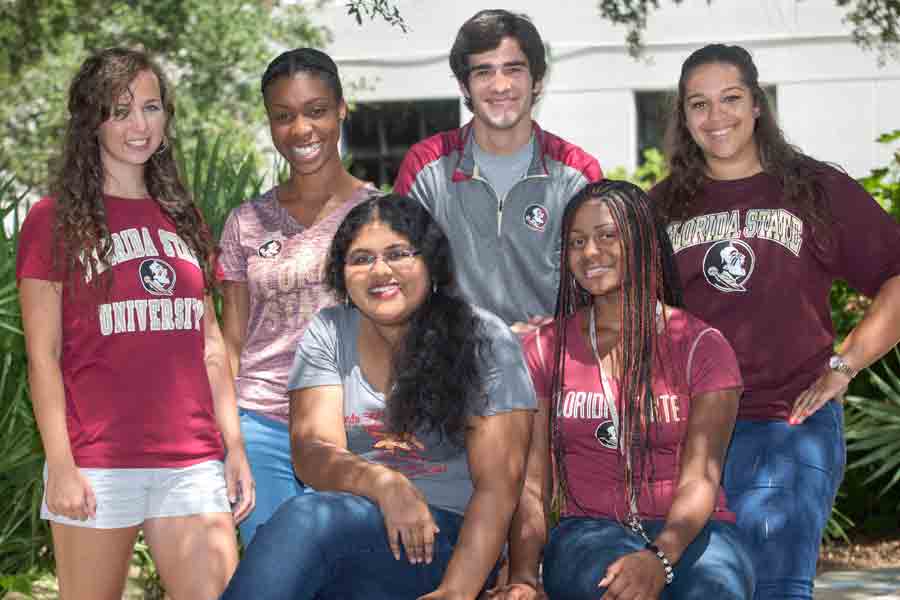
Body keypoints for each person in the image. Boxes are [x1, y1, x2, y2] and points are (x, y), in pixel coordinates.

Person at [651, 43, 900, 599]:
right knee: (703, 588)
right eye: (699, 104)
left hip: (788, 425)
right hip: (691, 434)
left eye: (731, 98)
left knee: (776, 586)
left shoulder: (812, 189)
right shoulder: (662, 207)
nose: (716, 118)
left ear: (757, 103)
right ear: (684, 116)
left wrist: (845, 365)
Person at [16, 47, 252, 600]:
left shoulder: (182, 215)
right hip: (97, 462)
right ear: (92, 120)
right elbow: (42, 358)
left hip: (191, 460)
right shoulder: (53, 220)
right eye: (120, 111)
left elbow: (210, 345)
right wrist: (61, 465)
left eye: (150, 108)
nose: (139, 125)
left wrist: (233, 444)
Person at [220, 194, 536, 600]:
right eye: (361, 259)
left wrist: (456, 591)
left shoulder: (485, 339)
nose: (380, 270)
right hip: (353, 531)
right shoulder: (329, 332)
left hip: (450, 539)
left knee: (305, 521)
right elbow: (312, 451)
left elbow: (499, 485)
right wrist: (385, 485)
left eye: (398, 253)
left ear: (431, 262)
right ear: (341, 275)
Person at [492, 180, 754, 600]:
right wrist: (524, 577)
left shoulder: (701, 346)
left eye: (607, 235)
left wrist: (660, 556)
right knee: (614, 586)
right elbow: (533, 483)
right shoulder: (544, 349)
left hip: (693, 531)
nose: (590, 252)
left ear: (644, 241)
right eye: (576, 241)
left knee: (713, 591)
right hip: (589, 531)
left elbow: (701, 478)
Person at [218, 47, 379, 545]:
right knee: (275, 571)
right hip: (259, 423)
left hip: (352, 429)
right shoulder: (245, 222)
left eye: (316, 111)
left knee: (346, 575)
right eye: (283, 116)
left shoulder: (379, 215)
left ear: (341, 109)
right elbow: (231, 341)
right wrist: (229, 441)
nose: (302, 130)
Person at [394, 9, 602, 334]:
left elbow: (602, 281)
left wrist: (557, 333)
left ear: (538, 81)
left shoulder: (577, 172)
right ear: (465, 86)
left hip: (553, 365)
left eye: (513, 69)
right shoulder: (426, 166)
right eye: (483, 73)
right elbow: (401, 275)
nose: (500, 85)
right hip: (455, 364)